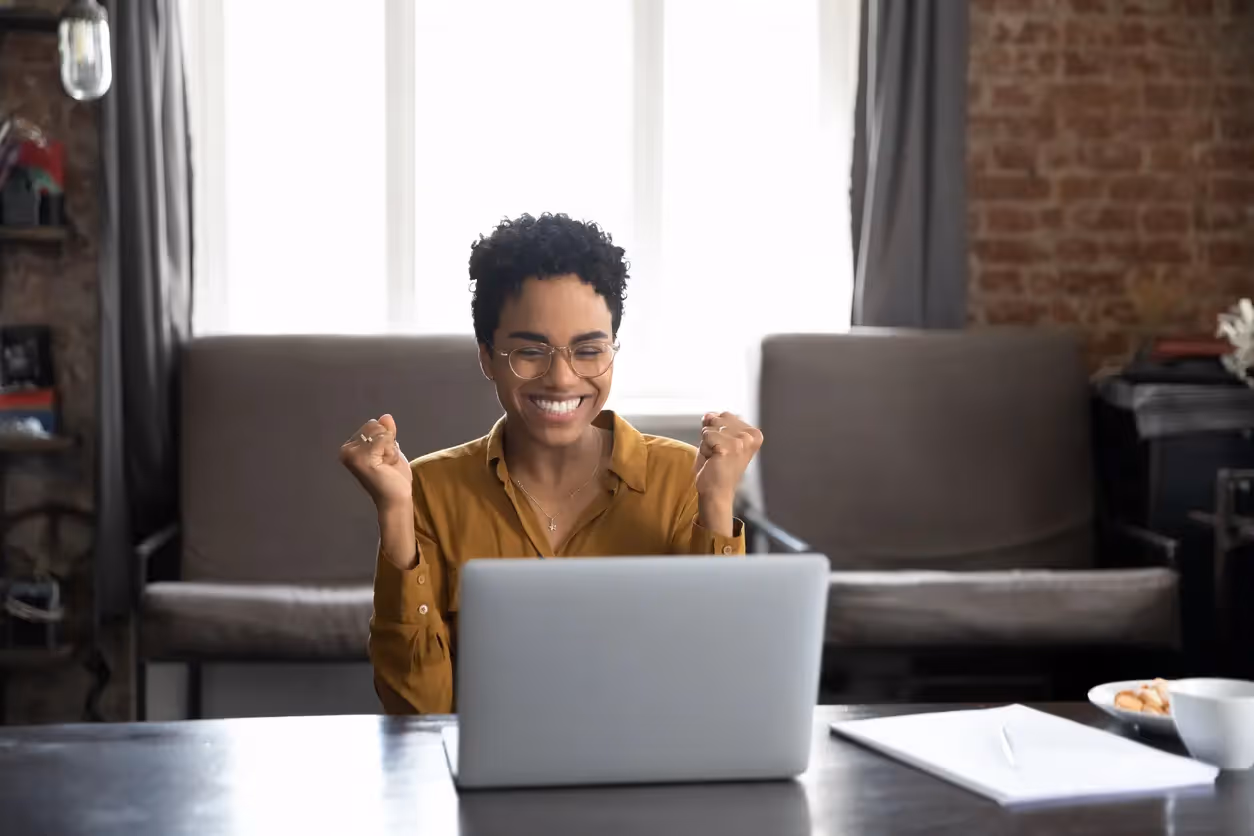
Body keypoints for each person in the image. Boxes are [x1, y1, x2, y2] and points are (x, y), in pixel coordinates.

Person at [339, 213, 763, 714]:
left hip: (644, 769)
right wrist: (394, 513)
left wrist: (715, 503)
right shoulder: (428, 489)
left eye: (588, 350)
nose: (562, 379)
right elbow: (419, 713)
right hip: (488, 782)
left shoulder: (683, 478)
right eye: (529, 351)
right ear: (486, 357)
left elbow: (718, 688)